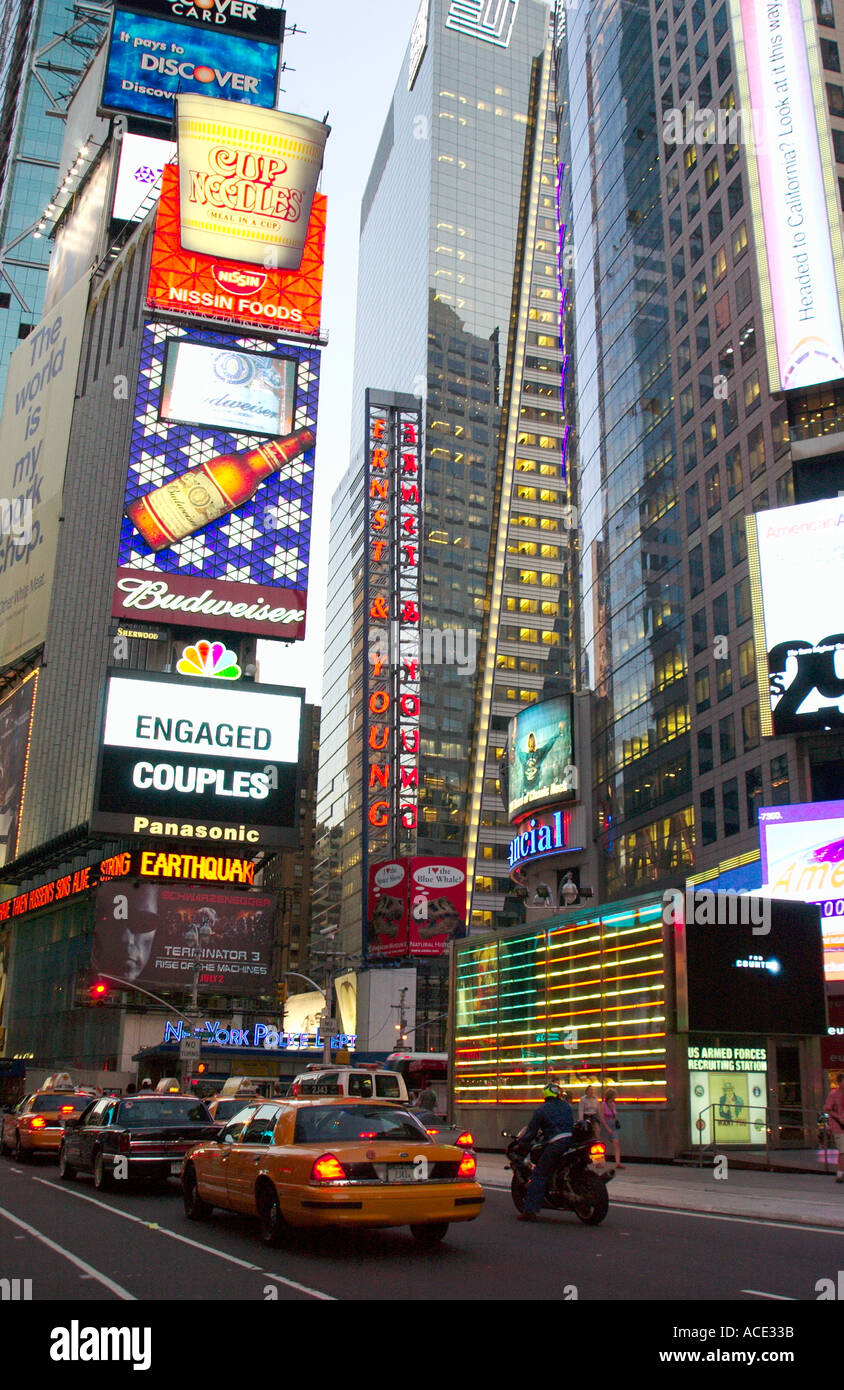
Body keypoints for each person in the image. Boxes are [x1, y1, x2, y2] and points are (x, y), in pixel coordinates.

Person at [516, 1082, 575, 1222]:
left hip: (556, 1143)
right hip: (571, 1142)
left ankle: (529, 1211)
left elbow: (531, 1132)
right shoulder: (567, 1106)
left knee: (539, 1174)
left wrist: (521, 1146)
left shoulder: (541, 1110)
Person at [824, 1072, 844, 1183]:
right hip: (839, 1126)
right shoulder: (833, 1094)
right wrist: (838, 1117)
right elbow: (827, 1108)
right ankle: (840, 1174)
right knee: (843, 1150)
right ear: (839, 1082)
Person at [599, 1087, 624, 1169]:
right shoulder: (603, 1105)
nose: (615, 1097)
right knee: (602, 1144)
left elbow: (614, 1114)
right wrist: (607, 1128)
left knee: (616, 1142)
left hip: (613, 1125)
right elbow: (602, 1118)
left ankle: (618, 1162)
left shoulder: (613, 1104)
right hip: (606, 1125)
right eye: (614, 1095)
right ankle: (599, 1162)